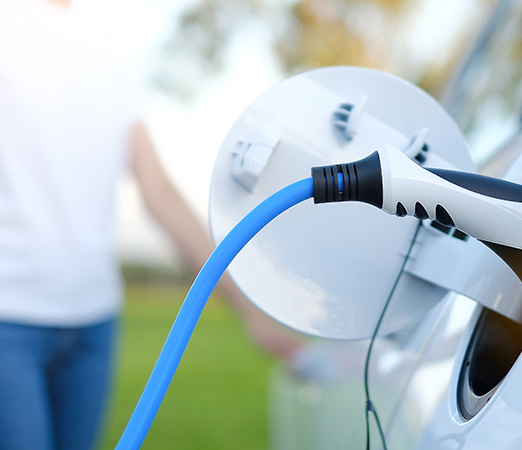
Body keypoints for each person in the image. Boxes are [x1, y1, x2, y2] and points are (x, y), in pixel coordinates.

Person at [0, 1, 302, 449]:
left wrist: (248, 310)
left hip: (93, 323)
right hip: (11, 322)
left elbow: (157, 192)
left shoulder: (110, 50)